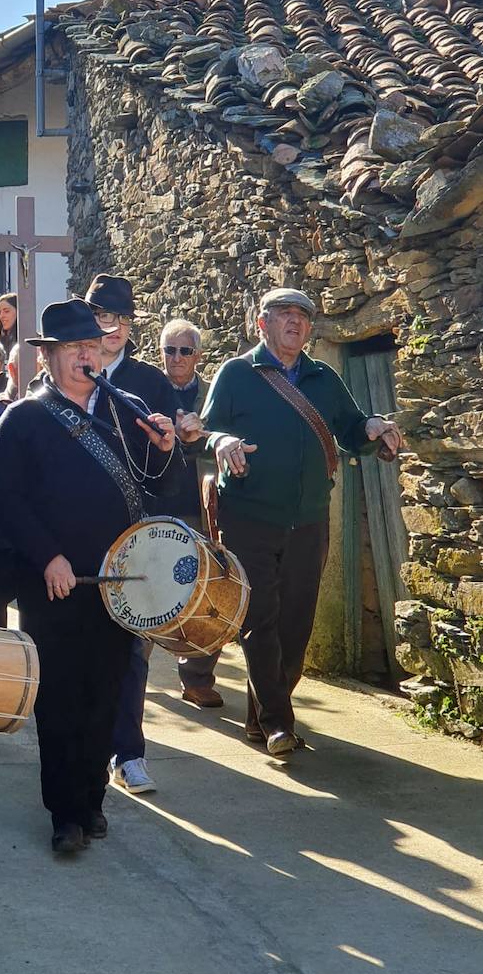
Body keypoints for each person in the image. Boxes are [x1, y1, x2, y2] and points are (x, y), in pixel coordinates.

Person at [0, 300, 177, 854]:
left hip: (120, 582)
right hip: (54, 584)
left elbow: (161, 487)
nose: (84, 357)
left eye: (91, 347)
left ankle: (92, 799)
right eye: (72, 349)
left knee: (106, 692)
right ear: (48, 357)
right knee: (61, 697)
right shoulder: (24, 418)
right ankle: (64, 813)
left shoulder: (127, 409)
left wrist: (166, 451)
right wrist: (48, 556)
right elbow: (6, 498)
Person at [201, 288, 402, 758]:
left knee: (295, 624)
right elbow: (203, 432)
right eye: (284, 314)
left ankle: (260, 717)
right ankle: (277, 722)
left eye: (303, 317)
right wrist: (222, 441)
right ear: (261, 324)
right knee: (259, 619)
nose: (295, 323)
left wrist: (372, 427)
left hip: (309, 520)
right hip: (249, 519)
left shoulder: (323, 378)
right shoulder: (235, 374)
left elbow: (351, 431)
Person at [84, 275, 194, 796]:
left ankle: (129, 754)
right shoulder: (64, 372)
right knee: (79, 646)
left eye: (123, 320)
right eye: (105, 317)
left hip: (134, 531)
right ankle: (84, 745)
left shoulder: (150, 383)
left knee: (133, 648)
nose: (114, 329)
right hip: (78, 532)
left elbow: (168, 471)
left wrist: (170, 445)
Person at [148, 318, 223, 709]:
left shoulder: (216, 395)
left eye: (184, 350)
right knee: (145, 587)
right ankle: (133, 674)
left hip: (200, 508)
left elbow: (231, 439)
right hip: (153, 505)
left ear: (199, 356)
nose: (175, 358)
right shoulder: (145, 388)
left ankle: (197, 678)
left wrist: (203, 435)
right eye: (168, 350)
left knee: (209, 593)